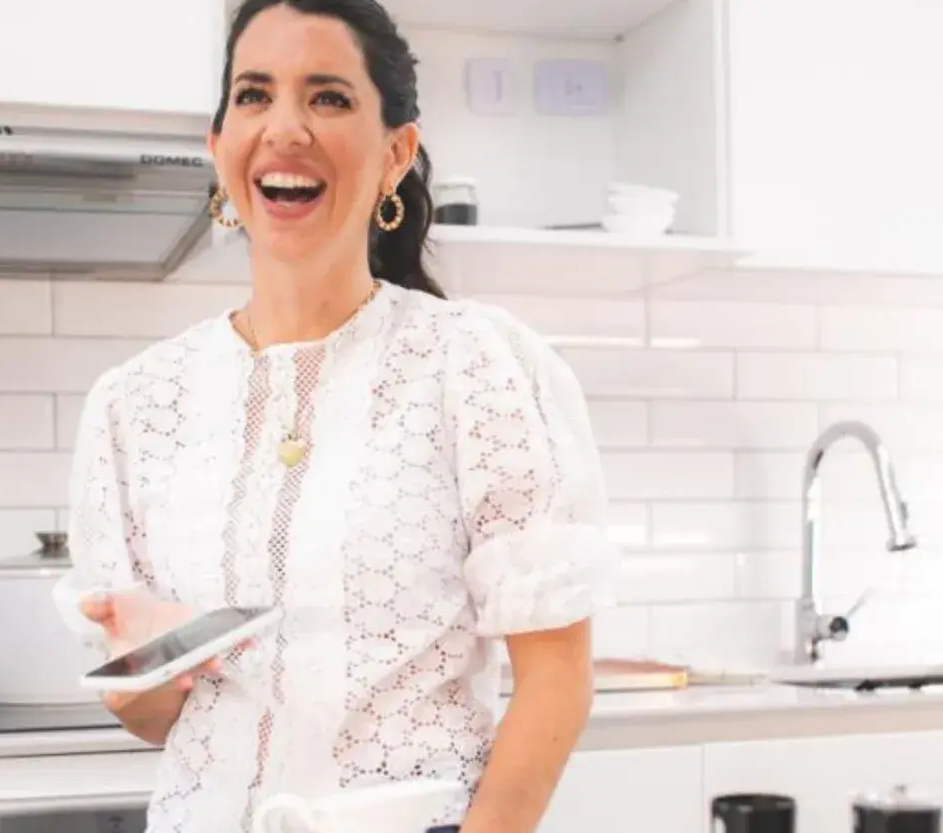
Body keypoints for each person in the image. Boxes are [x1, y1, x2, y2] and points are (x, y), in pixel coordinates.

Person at [53, 0, 619, 831]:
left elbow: (556, 679)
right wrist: (141, 680)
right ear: (218, 145)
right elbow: (160, 720)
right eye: (254, 95)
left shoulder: (472, 364)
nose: (284, 128)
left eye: (327, 97)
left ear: (396, 153)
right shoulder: (134, 403)